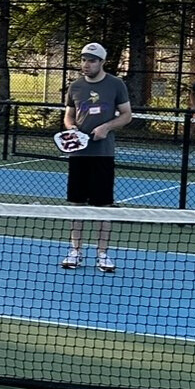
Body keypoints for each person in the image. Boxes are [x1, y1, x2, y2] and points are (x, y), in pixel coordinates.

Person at [60, 42, 132, 273]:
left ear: (101, 62)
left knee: (103, 206)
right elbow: (69, 116)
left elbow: (127, 115)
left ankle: (102, 254)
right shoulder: (76, 86)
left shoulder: (115, 84)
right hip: (79, 154)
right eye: (83, 60)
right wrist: (71, 128)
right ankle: (75, 251)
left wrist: (107, 128)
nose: (86, 64)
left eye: (91, 60)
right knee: (76, 204)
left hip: (103, 154)